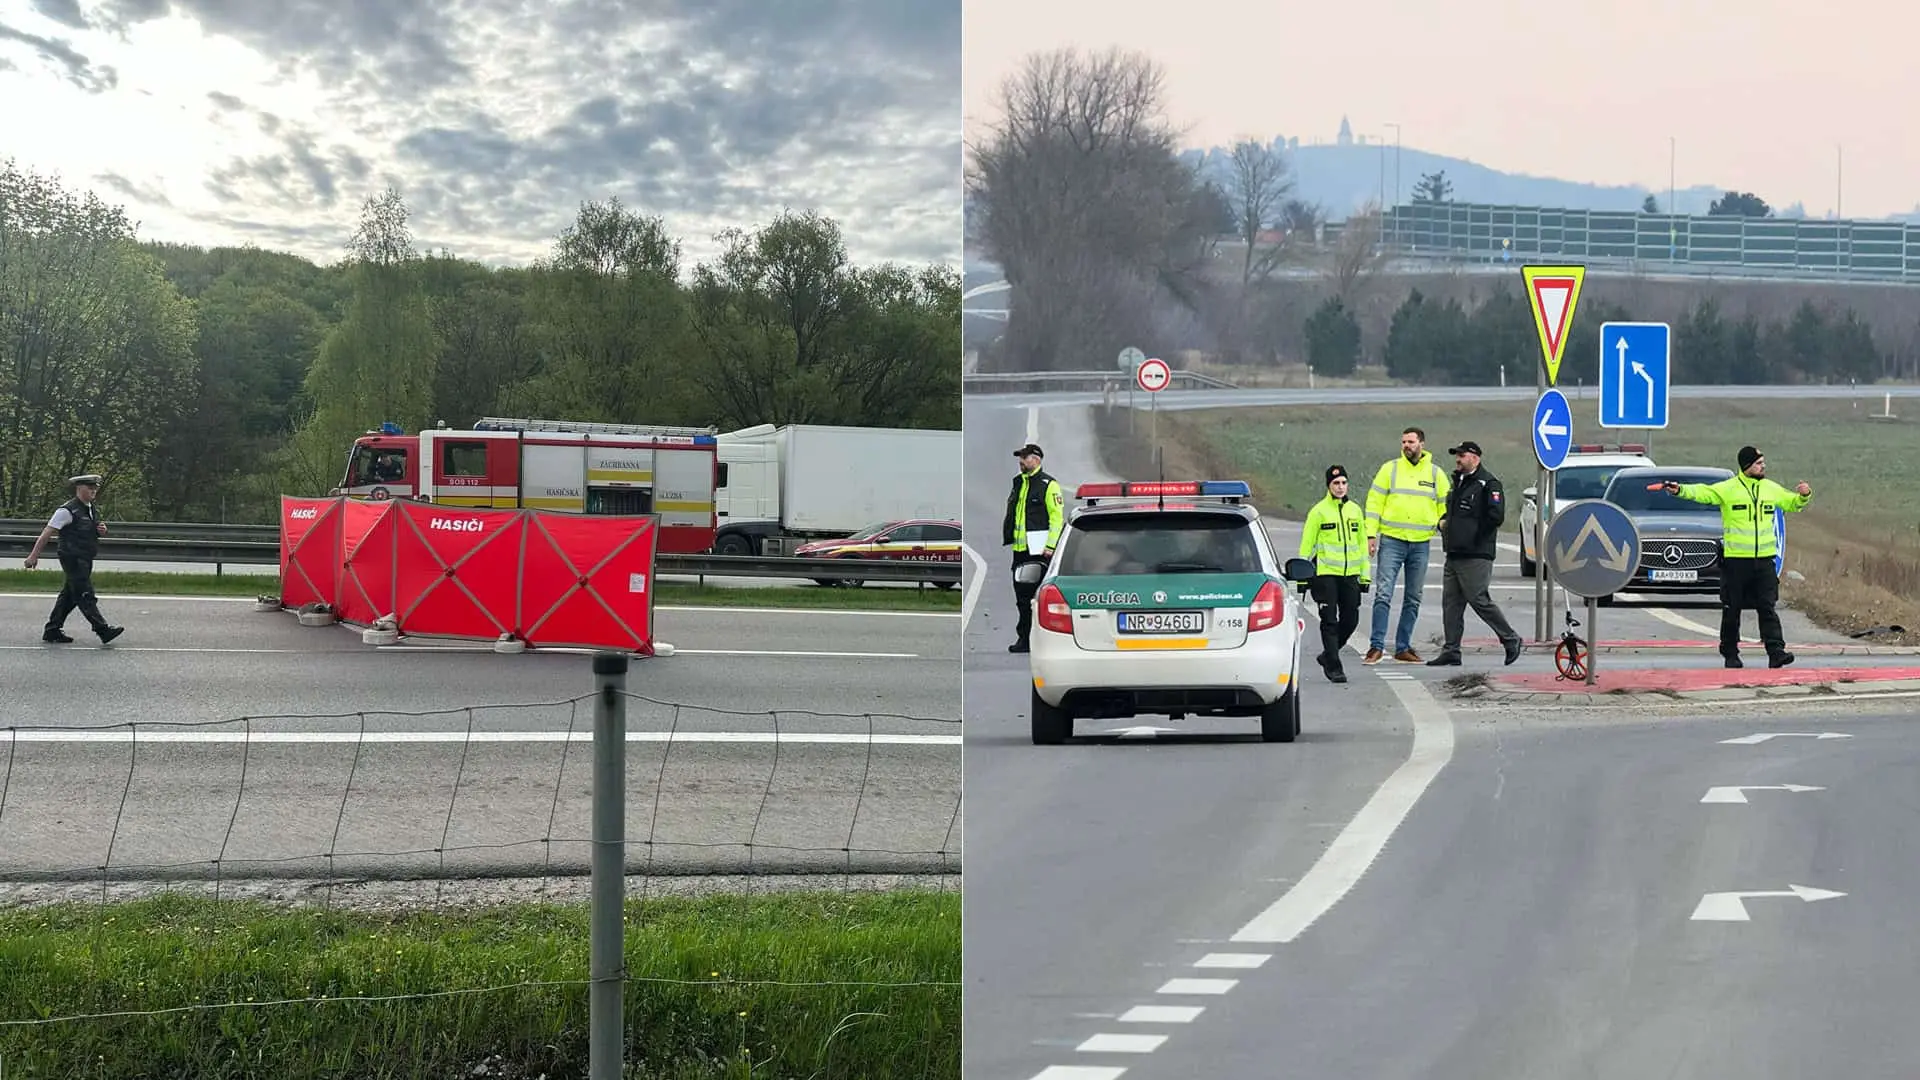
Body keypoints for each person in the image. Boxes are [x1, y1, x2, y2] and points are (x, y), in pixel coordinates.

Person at [1660, 445, 1812, 668]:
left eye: (1763, 462)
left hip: (1764, 561)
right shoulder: (1728, 489)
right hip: (1736, 562)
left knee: (1767, 607)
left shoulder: (1770, 488)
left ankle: (1776, 652)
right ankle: (1730, 653)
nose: (1763, 466)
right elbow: (1703, 493)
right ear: (1747, 465)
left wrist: (1804, 495)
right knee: (1732, 609)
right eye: (1759, 463)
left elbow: (1792, 503)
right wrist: (1680, 490)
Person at [1427, 441, 1523, 667]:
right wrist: (1444, 523)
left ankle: (1510, 638)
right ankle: (1451, 650)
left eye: (1462, 455)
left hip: (1475, 553)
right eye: (1457, 455)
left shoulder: (1488, 484)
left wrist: (1473, 538)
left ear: (1475, 458)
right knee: (1451, 603)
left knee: (1478, 598)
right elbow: (1455, 513)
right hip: (1454, 552)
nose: (1458, 459)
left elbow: (1495, 517)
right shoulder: (1458, 482)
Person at [1362, 426, 1449, 664]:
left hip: (1420, 543)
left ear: (1422, 444)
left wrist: (1442, 524)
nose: (1406, 446)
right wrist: (1370, 534)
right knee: (1383, 593)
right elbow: (1374, 503)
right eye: (1403, 442)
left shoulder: (1435, 474)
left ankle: (1403, 647)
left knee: (1413, 597)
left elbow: (1445, 506)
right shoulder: (1389, 469)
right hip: (1392, 540)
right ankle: (1376, 646)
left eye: (1411, 442)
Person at [23, 474, 125, 645]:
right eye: (89, 487)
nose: (93, 490)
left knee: (70, 595)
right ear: (79, 488)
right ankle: (103, 630)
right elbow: (47, 532)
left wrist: (102, 530)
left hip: (85, 557)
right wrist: (33, 556)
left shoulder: (90, 508)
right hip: (72, 557)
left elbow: (91, 529)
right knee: (85, 594)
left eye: (95, 487)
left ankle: (52, 630)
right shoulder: (66, 510)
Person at [1299, 465, 1370, 683]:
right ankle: (1334, 666)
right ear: (1328, 486)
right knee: (1329, 620)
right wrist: (1302, 576)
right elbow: (1307, 545)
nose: (1340, 487)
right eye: (1336, 483)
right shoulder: (1318, 511)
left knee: (1351, 619)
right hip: (1325, 574)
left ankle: (1328, 655)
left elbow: (1362, 546)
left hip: (1350, 575)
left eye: (1343, 483)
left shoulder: (1355, 510)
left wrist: (1365, 576)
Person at [1001, 442, 1064, 653]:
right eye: (1020, 457)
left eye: (1024, 458)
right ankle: (1025, 639)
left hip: (1039, 551)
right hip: (1020, 550)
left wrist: (1050, 546)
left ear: (1036, 460)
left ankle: (1042, 639)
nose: (1020, 461)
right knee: (1021, 597)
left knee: (1037, 598)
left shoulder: (1048, 485)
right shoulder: (1019, 483)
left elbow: (1056, 518)